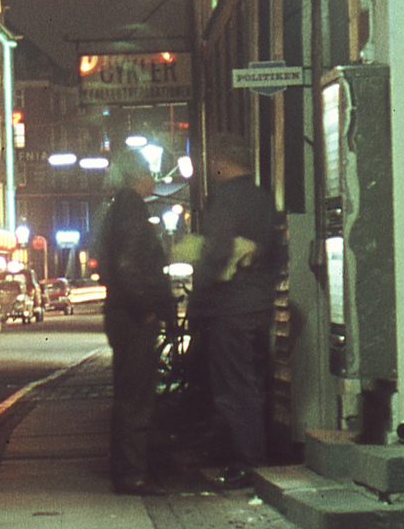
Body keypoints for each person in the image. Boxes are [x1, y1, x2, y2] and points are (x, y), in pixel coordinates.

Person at [189, 132, 284, 489]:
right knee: (253, 382)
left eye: (215, 163)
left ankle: (248, 462)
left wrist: (200, 300)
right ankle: (251, 454)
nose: (212, 168)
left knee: (233, 387)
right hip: (259, 305)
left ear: (223, 164)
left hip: (230, 307)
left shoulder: (225, 200)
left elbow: (217, 252)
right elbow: (275, 250)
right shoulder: (262, 199)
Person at [97, 147, 177, 496]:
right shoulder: (131, 209)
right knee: (137, 395)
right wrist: (147, 308)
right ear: (137, 176)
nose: (152, 179)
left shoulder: (117, 209)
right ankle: (133, 474)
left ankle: (127, 470)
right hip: (133, 317)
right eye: (148, 172)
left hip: (121, 314)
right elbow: (129, 266)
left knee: (128, 394)